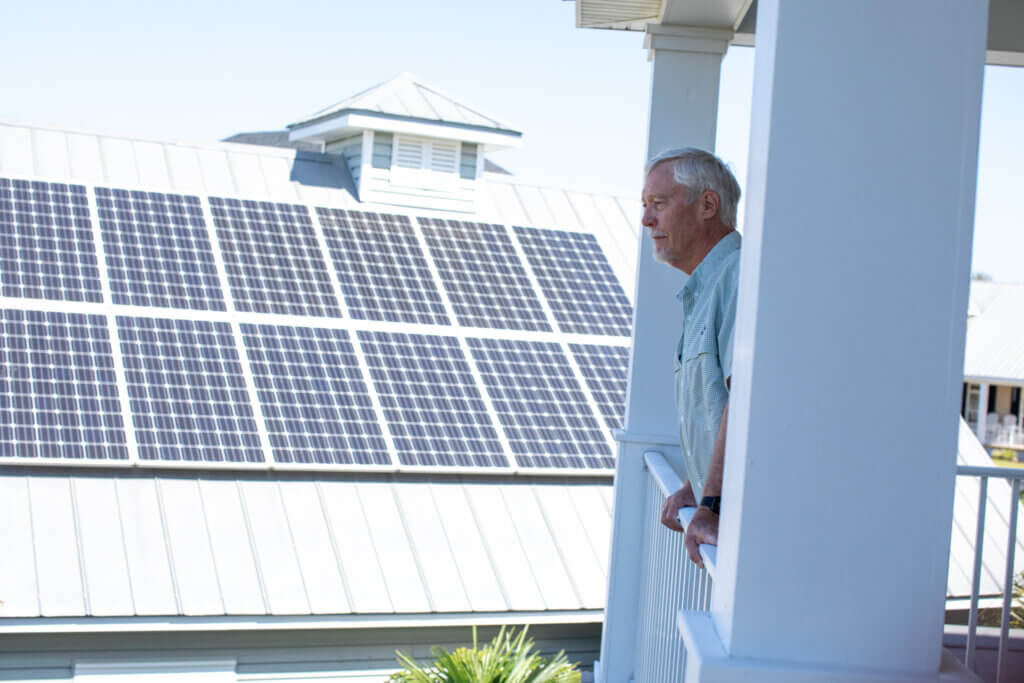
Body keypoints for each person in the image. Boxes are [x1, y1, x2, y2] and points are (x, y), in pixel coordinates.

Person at [641, 148, 741, 569]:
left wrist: (712, 506)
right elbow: (713, 405)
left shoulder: (740, 276)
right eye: (646, 207)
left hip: (741, 534)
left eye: (658, 205)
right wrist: (692, 485)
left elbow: (746, 401)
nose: (647, 221)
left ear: (707, 205)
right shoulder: (706, 287)